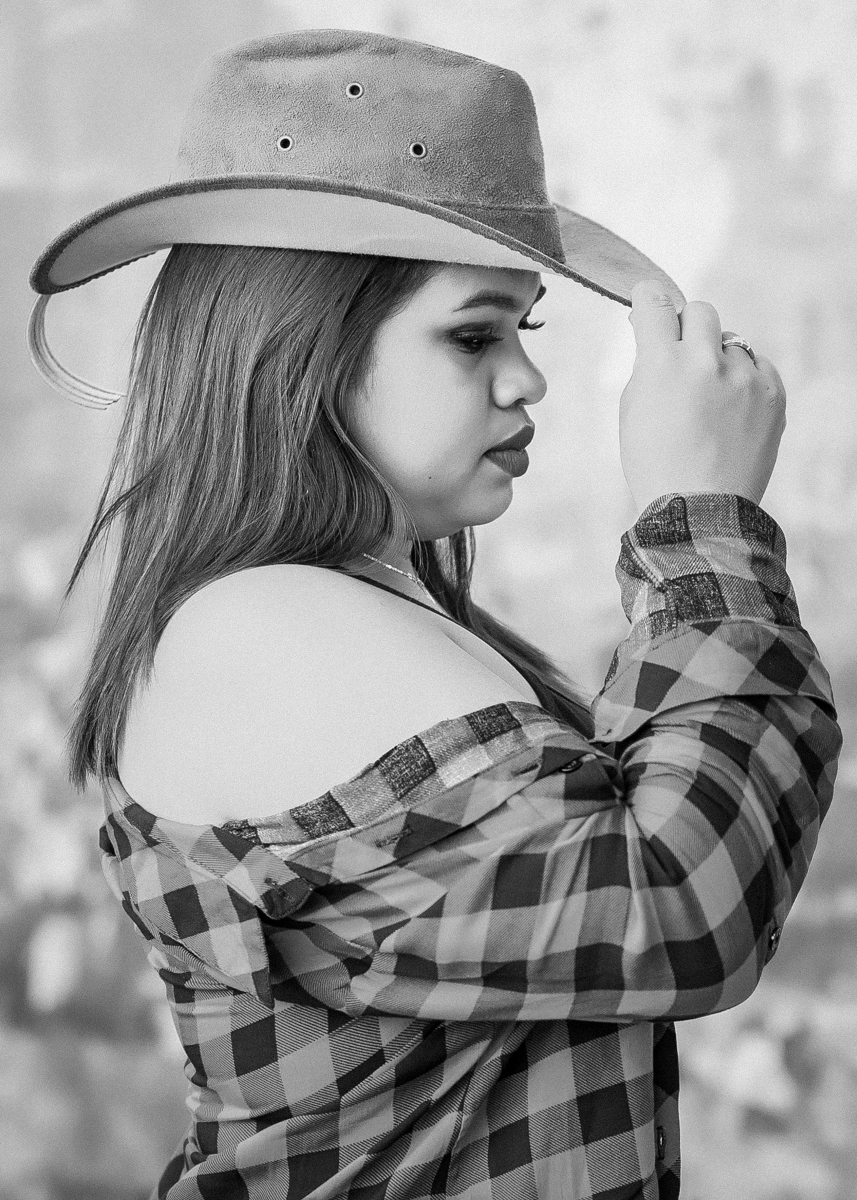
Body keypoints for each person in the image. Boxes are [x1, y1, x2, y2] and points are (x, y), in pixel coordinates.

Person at [28, 28, 842, 1200]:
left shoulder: (321, 609)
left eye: (524, 328)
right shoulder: (263, 623)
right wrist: (699, 519)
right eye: (472, 333)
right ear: (298, 348)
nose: (526, 379)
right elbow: (679, 907)